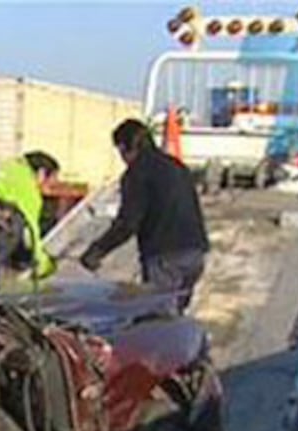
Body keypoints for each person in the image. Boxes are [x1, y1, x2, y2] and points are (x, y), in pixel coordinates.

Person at [81, 119, 210, 306]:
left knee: (158, 319)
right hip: (196, 253)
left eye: (120, 152)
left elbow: (127, 224)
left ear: (125, 148)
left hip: (165, 257)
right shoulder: (177, 166)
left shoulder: (137, 173)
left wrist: (97, 251)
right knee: (175, 315)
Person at [0, 150, 63, 282]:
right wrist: (43, 263)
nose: (51, 186)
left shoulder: (3, 166)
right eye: (51, 179)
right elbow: (30, 233)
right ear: (41, 173)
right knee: (12, 231)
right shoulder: (27, 188)